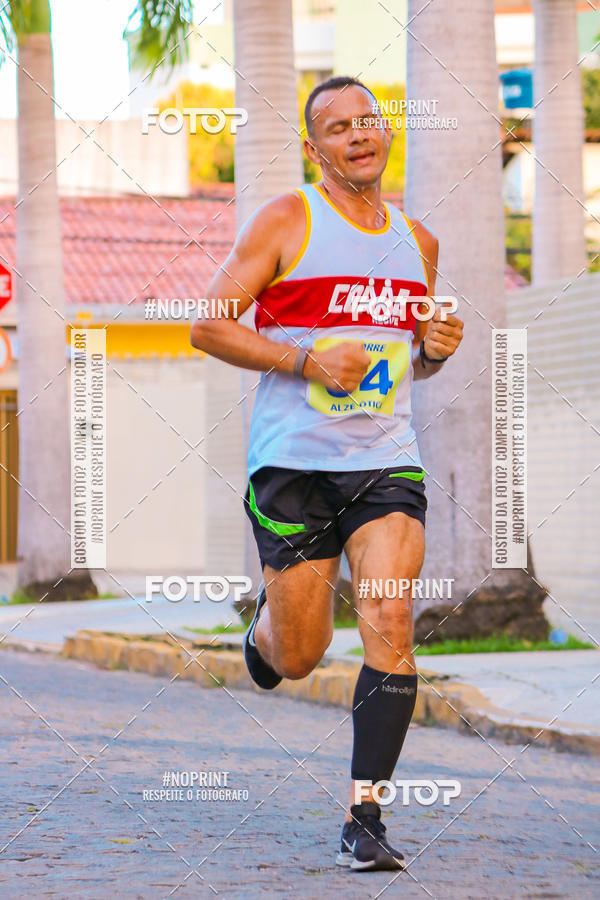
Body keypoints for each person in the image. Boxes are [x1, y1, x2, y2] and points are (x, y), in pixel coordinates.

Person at [191, 75, 463, 872]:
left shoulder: (420, 242)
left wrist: (432, 352)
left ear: (385, 133)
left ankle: (364, 818)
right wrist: (305, 357)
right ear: (316, 148)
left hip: (385, 461)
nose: (358, 135)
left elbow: (415, 362)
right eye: (337, 127)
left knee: (390, 619)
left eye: (368, 122)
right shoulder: (288, 218)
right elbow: (208, 326)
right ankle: (265, 640)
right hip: (293, 465)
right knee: (302, 654)